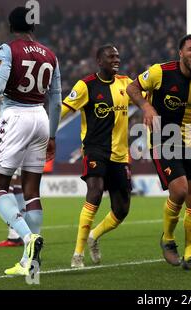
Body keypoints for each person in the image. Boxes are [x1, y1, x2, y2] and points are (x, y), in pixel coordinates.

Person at [127, 34, 191, 271]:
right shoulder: (160, 72)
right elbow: (132, 87)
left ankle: (190, 257)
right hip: (162, 139)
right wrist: (146, 106)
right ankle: (167, 238)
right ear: (180, 52)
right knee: (180, 190)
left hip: (190, 141)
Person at [0, 7, 61, 276]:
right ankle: (31, 263)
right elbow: (57, 98)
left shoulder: (8, 49)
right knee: (32, 191)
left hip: (16, 115)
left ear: (11, 25)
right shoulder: (50, 55)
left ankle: (28, 238)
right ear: (33, 27)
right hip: (40, 118)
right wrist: (52, 135)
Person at [62, 44, 133, 268]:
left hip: (119, 155)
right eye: (111, 56)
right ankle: (77, 254)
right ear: (99, 61)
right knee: (94, 191)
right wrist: (44, 130)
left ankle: (94, 236)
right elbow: (63, 109)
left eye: (118, 56)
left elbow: (146, 97)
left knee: (121, 210)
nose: (116, 60)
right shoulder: (86, 85)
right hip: (95, 149)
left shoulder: (126, 83)